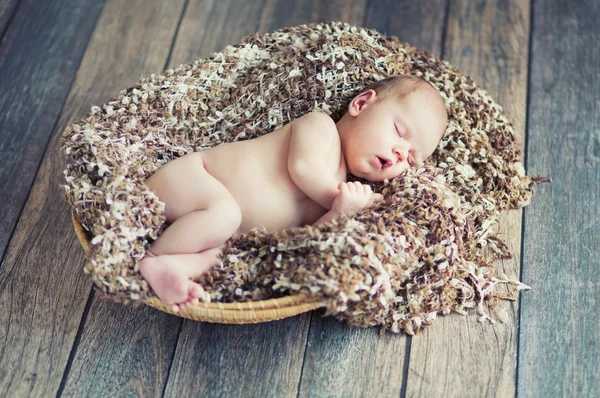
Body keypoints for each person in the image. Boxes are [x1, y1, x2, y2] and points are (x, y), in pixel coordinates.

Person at [139, 75, 448, 311]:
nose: (398, 152)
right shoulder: (321, 128)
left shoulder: (340, 184)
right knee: (224, 215)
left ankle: (172, 268)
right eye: (398, 131)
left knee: (228, 255)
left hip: (215, 232)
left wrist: (339, 214)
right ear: (362, 104)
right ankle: (152, 257)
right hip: (192, 179)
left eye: (410, 158)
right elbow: (303, 167)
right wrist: (338, 199)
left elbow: (303, 239)